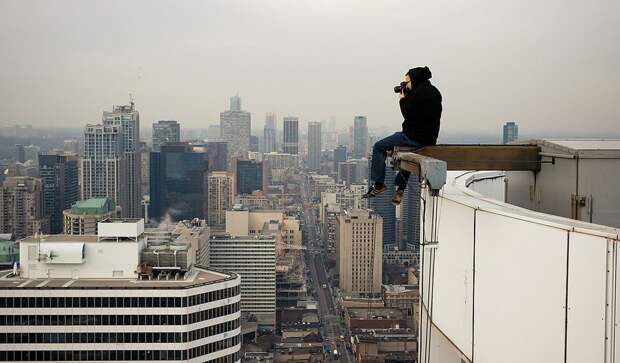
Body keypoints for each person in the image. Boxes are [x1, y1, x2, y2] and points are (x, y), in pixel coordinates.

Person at [363, 66, 442, 205]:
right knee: (408, 153)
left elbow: (409, 114)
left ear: (415, 79)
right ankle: (400, 188)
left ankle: (379, 184)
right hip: (430, 139)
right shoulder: (435, 92)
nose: (406, 84)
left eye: (408, 81)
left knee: (379, 146)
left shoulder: (417, 94)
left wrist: (403, 98)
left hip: (413, 137)